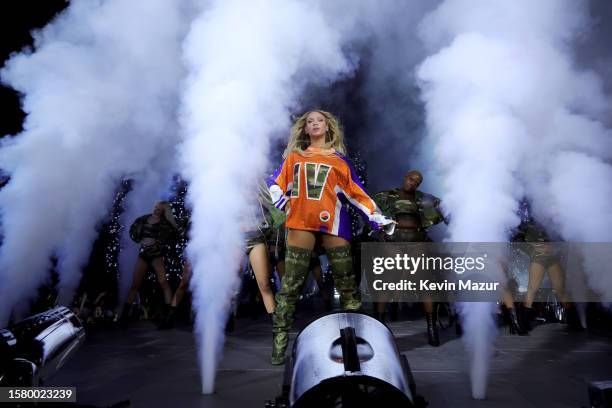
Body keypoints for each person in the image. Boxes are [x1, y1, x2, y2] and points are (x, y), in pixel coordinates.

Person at [268, 110, 395, 365]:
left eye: (320, 121)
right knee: (290, 286)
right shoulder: (294, 157)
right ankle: (279, 344)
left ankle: (355, 344)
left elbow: (357, 193)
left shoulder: (339, 160)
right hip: (300, 223)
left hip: (333, 223)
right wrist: (285, 204)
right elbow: (275, 184)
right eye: (310, 122)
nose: (314, 124)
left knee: (347, 284)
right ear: (305, 129)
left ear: (328, 127)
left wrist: (377, 217)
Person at [373, 170, 446, 346]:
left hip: (417, 242)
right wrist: (380, 231)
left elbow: (445, 204)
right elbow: (368, 208)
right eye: (411, 179)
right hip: (392, 242)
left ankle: (431, 328)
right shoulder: (386, 195)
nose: (413, 183)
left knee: (425, 285)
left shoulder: (422, 198)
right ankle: (378, 329)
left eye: (417, 182)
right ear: (405, 177)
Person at [120, 201, 179, 324]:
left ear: (163, 211)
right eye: (155, 207)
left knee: (163, 282)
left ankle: (169, 314)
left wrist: (158, 243)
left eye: (159, 209)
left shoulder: (165, 224)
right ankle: (124, 316)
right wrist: (139, 239)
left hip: (156, 255)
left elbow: (173, 235)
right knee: (135, 284)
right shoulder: (144, 218)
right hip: (144, 254)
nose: (156, 210)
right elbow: (133, 229)